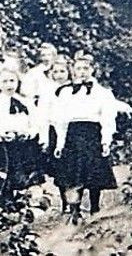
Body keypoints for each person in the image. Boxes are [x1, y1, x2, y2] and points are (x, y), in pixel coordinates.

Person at [49, 51, 120, 222]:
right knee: (73, 174)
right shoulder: (65, 93)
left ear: (93, 70)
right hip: (72, 135)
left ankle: (95, 208)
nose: (82, 72)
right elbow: (61, 120)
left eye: (85, 68)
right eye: (78, 68)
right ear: (73, 71)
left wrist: (105, 141)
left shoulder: (103, 93)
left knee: (93, 173)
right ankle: (75, 210)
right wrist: (60, 143)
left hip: (92, 134)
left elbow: (107, 119)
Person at [0, 66, 43, 190]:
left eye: (12, 81)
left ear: (18, 82)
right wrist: (1, 135)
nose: (8, 85)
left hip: (25, 145)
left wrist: (29, 133)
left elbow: (36, 123)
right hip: (3, 147)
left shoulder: (26, 102)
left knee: (26, 176)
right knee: (5, 176)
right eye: (4, 81)